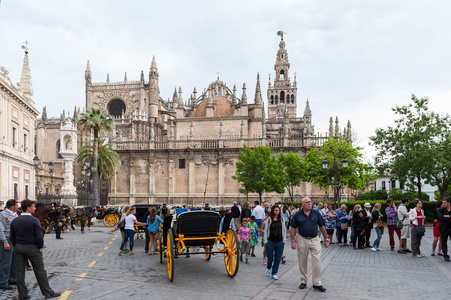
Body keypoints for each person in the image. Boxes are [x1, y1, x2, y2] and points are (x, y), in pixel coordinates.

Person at [10, 199, 61, 300]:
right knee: (40, 271)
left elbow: (12, 237)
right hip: (33, 248)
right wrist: (40, 246)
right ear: (28, 208)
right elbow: (39, 236)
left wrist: (17, 245)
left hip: (19, 247)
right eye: (33, 206)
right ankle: (47, 292)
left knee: (19, 273)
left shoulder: (15, 220)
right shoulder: (34, 220)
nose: (35, 208)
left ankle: (23, 295)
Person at [291, 197, 329, 292]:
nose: (310, 204)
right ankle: (303, 281)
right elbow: (293, 228)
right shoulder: (297, 215)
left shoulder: (316, 213)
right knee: (302, 261)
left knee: (317, 261)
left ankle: (317, 283)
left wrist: (326, 239)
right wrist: (292, 241)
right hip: (302, 239)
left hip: (315, 239)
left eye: (310, 202)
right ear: (302, 204)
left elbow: (322, 226)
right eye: (307, 202)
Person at [0, 199, 19, 290]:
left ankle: (12, 279)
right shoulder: (3, 215)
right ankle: (3, 282)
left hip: (14, 240)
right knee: (5, 263)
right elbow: (0, 230)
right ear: (12, 207)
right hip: (7, 240)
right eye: (16, 205)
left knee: (13, 262)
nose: (18, 207)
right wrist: (5, 242)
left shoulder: (15, 215)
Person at [264, 205, 286, 280]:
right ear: (273, 211)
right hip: (270, 241)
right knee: (270, 258)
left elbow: (283, 230)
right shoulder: (269, 220)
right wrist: (266, 241)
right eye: (275, 210)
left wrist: (284, 241)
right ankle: (269, 267)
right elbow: (266, 230)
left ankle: (274, 273)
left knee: (277, 258)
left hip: (279, 241)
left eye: (278, 210)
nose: (277, 212)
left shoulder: (281, 219)